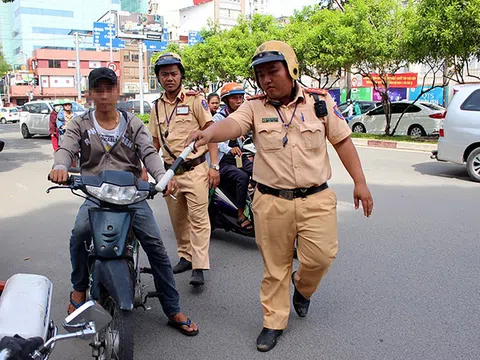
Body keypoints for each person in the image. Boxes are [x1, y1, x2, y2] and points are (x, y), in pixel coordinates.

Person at [186, 40, 374, 352]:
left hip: (316, 199)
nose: (266, 80)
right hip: (270, 201)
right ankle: (273, 322)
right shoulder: (254, 106)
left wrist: (360, 182)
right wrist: (209, 134)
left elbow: (342, 142)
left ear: (292, 69)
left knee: (321, 257)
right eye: (260, 75)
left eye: (273, 71)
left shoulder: (320, 101)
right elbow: (232, 125)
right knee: (275, 268)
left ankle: (303, 288)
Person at [48, 67, 198, 336]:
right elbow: (65, 148)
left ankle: (172, 307)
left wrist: (163, 177)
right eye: (98, 89)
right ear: (90, 94)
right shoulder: (80, 123)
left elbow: (149, 153)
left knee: (157, 248)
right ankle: (80, 286)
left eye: (109, 89)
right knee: (79, 234)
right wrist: (60, 166)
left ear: (117, 91)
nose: (104, 95)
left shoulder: (133, 123)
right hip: (95, 195)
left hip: (132, 197)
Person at [148, 53, 220, 287]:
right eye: (164, 74)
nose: (169, 78)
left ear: (181, 75)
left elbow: (211, 132)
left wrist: (214, 165)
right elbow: (155, 143)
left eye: (174, 73)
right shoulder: (157, 107)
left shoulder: (194, 101)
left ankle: (199, 266)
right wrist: (144, 168)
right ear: (158, 78)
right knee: (179, 220)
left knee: (199, 219)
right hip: (170, 174)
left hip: (196, 170)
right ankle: (186, 257)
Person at [213, 82, 253, 231]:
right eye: (235, 98)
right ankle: (241, 213)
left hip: (239, 157)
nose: (239, 101)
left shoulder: (243, 116)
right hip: (222, 160)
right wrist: (229, 149)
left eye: (240, 98)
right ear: (226, 101)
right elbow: (214, 141)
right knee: (242, 177)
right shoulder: (218, 118)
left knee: (261, 172)